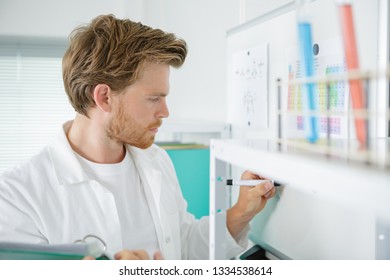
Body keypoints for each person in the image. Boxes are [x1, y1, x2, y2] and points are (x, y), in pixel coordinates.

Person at [0, 14, 275, 260]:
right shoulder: (18, 196)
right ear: (104, 97)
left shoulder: (157, 161)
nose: (165, 112)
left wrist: (241, 211)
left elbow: (183, 246)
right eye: (154, 98)